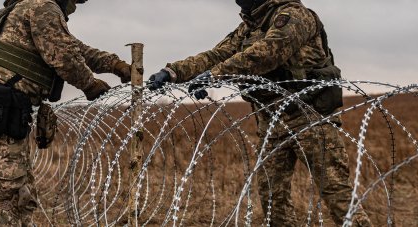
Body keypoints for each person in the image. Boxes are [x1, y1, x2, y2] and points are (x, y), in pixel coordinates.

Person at [148, 0, 372, 226]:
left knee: (336, 193)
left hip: (310, 117)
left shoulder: (294, 15)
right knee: (273, 201)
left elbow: (269, 52)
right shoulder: (249, 28)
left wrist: (216, 75)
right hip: (272, 123)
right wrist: (173, 71)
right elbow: (216, 55)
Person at [0, 0, 132, 225]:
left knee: (23, 196)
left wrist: (114, 65)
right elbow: (63, 56)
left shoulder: (30, 6)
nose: (73, 7)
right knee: (9, 195)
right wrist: (90, 85)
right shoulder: (42, 7)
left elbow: (74, 47)